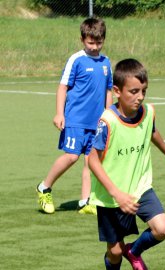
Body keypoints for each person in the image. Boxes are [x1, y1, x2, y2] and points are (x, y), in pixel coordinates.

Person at [87, 58, 165, 270]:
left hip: (140, 187)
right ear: (117, 92)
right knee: (115, 251)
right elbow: (92, 161)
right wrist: (116, 193)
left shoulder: (149, 111)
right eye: (133, 92)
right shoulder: (107, 121)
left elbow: (151, 131)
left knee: (163, 228)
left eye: (144, 91)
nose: (140, 97)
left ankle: (136, 251)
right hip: (112, 196)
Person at [37, 17, 113, 215]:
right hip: (75, 119)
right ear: (82, 40)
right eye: (91, 42)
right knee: (71, 157)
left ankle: (85, 201)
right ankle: (44, 187)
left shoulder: (106, 62)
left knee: (90, 161)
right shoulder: (76, 59)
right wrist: (59, 113)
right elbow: (63, 87)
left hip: (96, 122)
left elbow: (108, 90)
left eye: (99, 42)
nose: (95, 47)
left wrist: (109, 115)